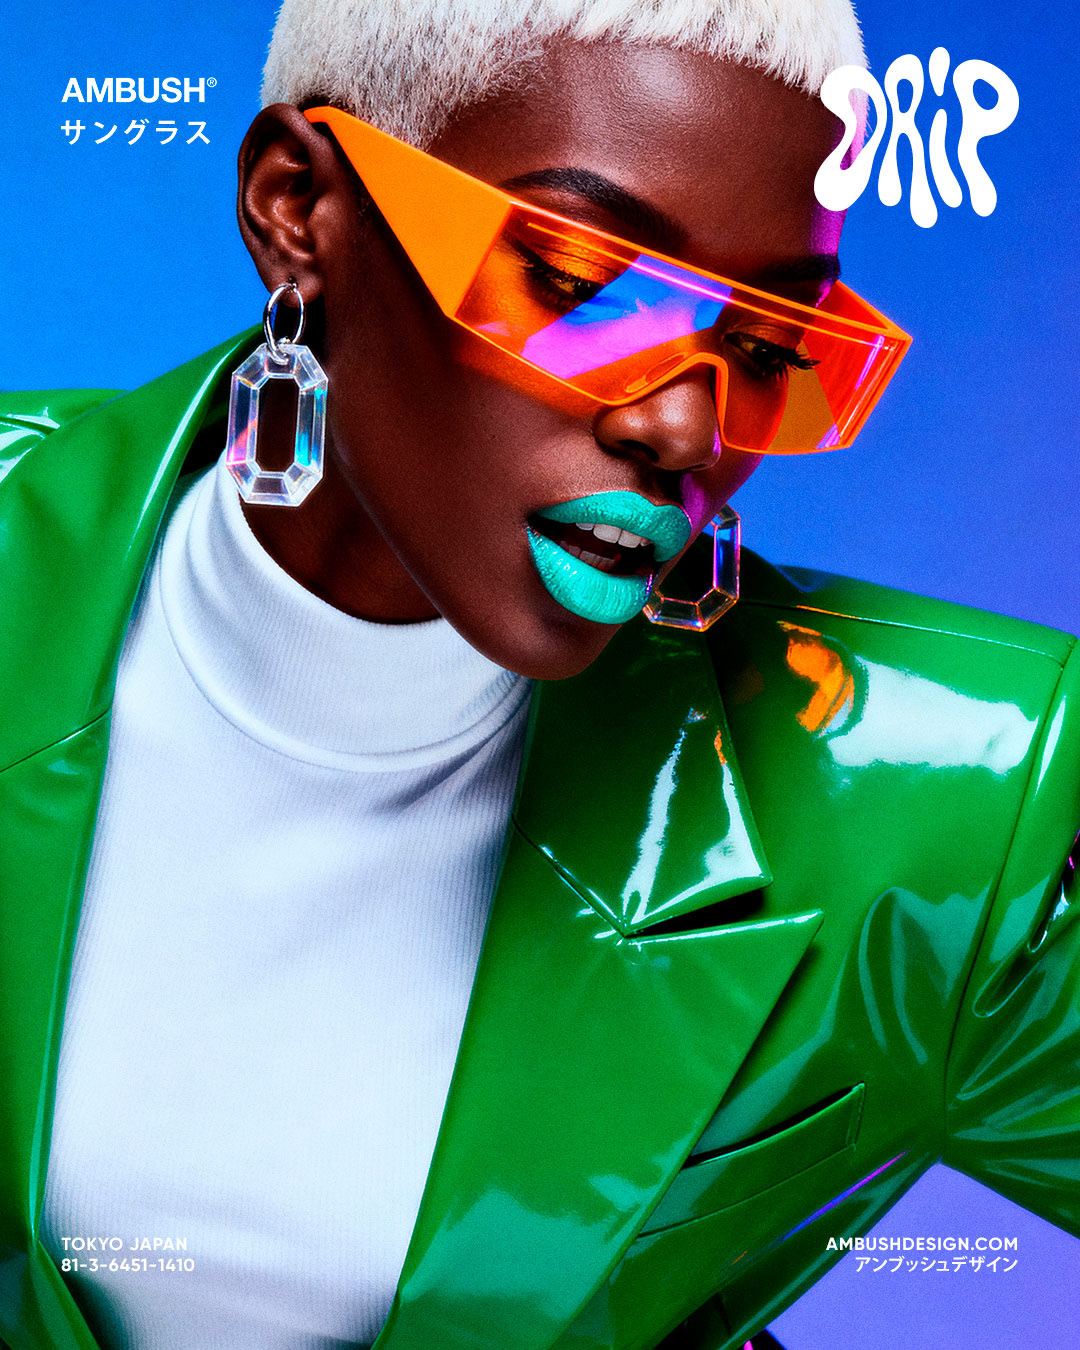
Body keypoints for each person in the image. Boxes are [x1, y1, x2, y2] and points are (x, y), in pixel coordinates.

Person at [1, 1, 1077, 1348]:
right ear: (298, 210)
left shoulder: (948, 801)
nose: (683, 423)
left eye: (765, 349)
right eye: (581, 281)